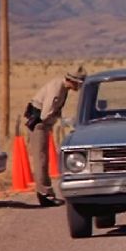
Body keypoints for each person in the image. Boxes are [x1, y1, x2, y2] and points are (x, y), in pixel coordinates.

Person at [27, 66, 87, 206]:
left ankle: (47, 193)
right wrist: (57, 121)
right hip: (39, 125)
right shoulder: (57, 89)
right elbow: (45, 113)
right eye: (79, 83)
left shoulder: (62, 87)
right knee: (41, 160)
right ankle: (44, 194)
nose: (79, 86)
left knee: (43, 159)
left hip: (43, 125)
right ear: (72, 81)